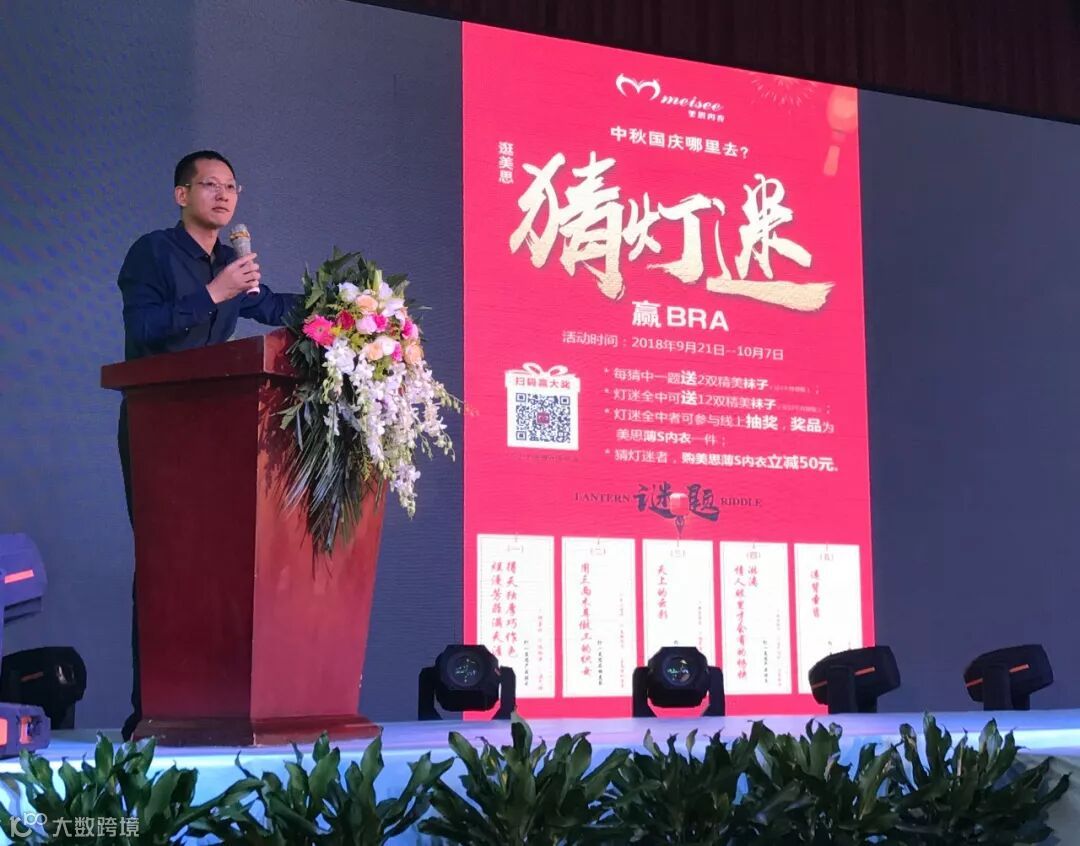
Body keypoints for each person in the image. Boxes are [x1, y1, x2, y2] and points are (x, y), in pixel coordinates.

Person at [115, 150, 301, 739]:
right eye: (210, 185)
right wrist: (215, 293)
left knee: (216, 566)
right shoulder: (153, 252)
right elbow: (144, 330)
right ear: (181, 195)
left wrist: (353, 309)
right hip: (160, 427)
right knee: (167, 564)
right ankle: (152, 710)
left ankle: (210, 707)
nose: (223, 196)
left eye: (231, 187)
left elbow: (272, 306)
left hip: (219, 430)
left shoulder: (229, 262)